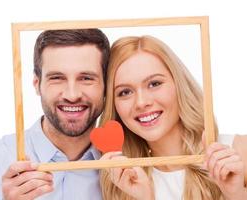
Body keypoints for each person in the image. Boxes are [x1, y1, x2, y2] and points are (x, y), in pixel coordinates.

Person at [0, 29, 110, 200]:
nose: (72, 95)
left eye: (86, 78)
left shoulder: (127, 168)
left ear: (106, 86)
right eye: (57, 78)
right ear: (36, 83)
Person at [99, 35, 247, 200]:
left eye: (154, 84)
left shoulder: (239, 151)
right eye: (125, 92)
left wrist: (236, 194)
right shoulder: (119, 181)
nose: (141, 102)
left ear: (179, 84)